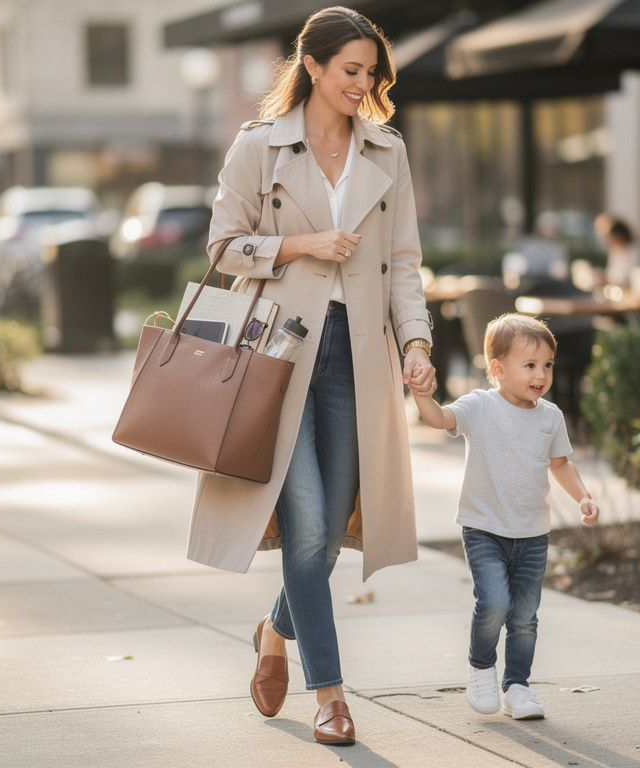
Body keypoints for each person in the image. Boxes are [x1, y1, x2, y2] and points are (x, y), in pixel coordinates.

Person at [194, 6, 435, 747]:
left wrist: (418, 342)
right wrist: (301, 244)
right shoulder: (260, 146)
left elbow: (402, 264)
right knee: (304, 529)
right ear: (315, 67)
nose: (362, 84)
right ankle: (330, 693)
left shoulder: (387, 151)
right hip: (277, 353)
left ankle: (274, 627)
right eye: (350, 70)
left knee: (329, 536)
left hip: (359, 355)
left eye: (372, 72)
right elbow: (222, 248)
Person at [409, 313, 599, 721]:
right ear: (497, 369)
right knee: (494, 603)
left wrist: (583, 496)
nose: (541, 374)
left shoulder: (550, 416)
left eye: (547, 365)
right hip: (484, 528)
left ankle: (517, 686)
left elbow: (561, 464)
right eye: (529, 365)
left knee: (525, 617)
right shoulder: (480, 405)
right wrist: (421, 395)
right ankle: (481, 668)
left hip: (533, 533)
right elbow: (441, 419)